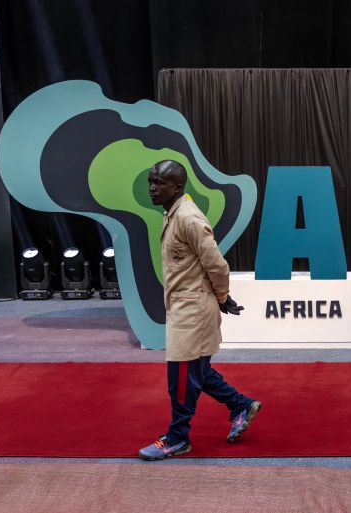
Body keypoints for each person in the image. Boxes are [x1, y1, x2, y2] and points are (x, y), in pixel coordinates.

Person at [138, 159, 261, 460]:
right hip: (185, 305)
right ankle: (240, 404)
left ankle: (177, 438)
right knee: (197, 371)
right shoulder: (173, 213)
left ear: (177, 187)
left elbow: (216, 264)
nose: (152, 188)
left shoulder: (189, 218)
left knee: (180, 377)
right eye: (151, 181)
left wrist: (222, 297)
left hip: (192, 309)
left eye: (159, 183)